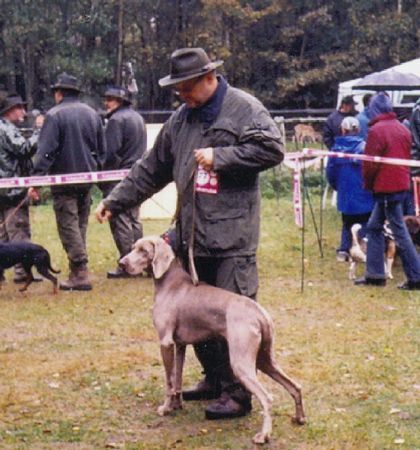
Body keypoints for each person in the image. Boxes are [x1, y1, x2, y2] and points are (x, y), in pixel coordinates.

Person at [95, 48, 284, 420]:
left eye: (186, 88)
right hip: (191, 241)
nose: (181, 95)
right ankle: (214, 379)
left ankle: (237, 394)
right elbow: (152, 168)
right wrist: (116, 201)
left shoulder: (245, 109)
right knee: (198, 318)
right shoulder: (181, 119)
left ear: (209, 78)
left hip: (232, 240)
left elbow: (272, 149)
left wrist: (223, 156)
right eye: (178, 89)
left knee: (232, 318)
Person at [31, 73, 105, 291]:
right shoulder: (92, 114)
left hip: (64, 180)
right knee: (79, 224)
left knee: (68, 225)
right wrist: (97, 171)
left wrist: (35, 178)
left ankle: (80, 271)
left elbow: (46, 152)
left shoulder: (54, 115)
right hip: (88, 178)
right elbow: (102, 150)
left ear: (59, 93)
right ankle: (78, 268)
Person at [355, 92, 420, 290]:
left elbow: (370, 164)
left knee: (399, 231)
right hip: (400, 184)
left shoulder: (376, 131)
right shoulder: (402, 128)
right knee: (374, 226)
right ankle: (375, 274)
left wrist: (368, 184)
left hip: (385, 188)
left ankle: (416, 277)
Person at [101, 86, 147, 278]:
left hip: (119, 177)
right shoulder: (138, 118)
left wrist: (103, 172)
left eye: (110, 100)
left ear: (119, 102)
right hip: (137, 174)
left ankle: (127, 264)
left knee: (120, 219)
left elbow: (110, 152)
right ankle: (143, 261)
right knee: (134, 219)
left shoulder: (116, 120)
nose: (106, 103)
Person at [0, 92, 40, 283]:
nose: (23, 112)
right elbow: (24, 149)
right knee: (18, 229)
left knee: (3, 234)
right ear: (9, 111)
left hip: (3, 189)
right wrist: (40, 131)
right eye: (20, 108)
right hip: (12, 190)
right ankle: (22, 271)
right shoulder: (5, 129)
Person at [327, 116, 374, 261]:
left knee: (347, 222)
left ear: (343, 130)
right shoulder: (366, 148)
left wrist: (338, 188)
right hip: (365, 192)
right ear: (358, 130)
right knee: (366, 222)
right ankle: (363, 247)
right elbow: (372, 169)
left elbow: (330, 173)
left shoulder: (335, 150)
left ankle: (344, 250)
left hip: (345, 194)